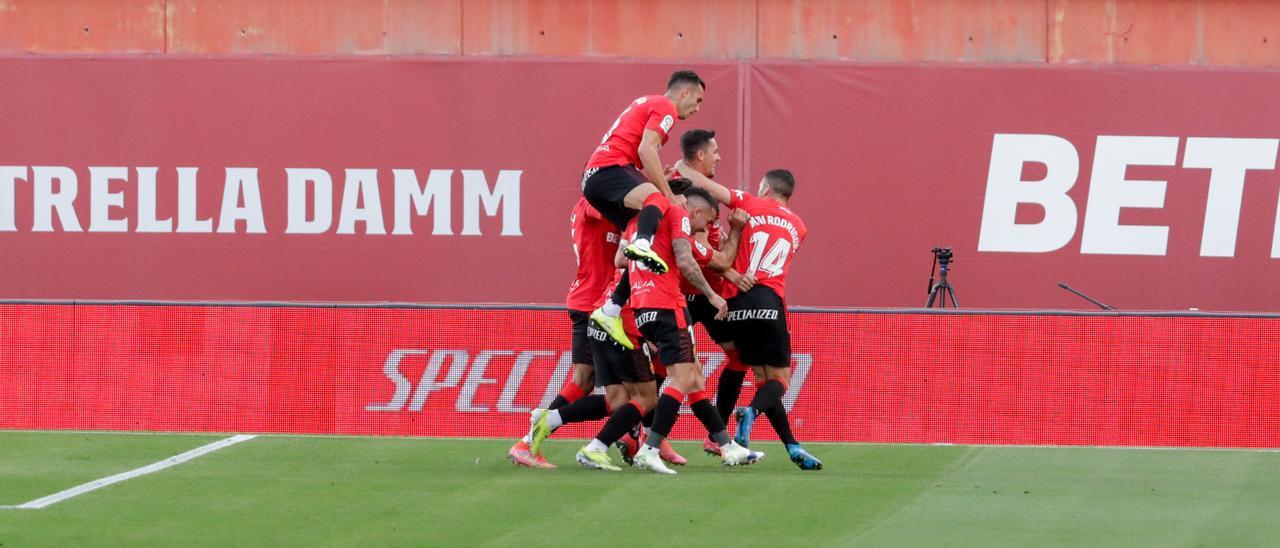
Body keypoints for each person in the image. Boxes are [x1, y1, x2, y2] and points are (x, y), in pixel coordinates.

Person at [676, 165, 823, 470]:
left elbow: (704, 185)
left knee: (760, 378)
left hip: (736, 301)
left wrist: (681, 169)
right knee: (779, 380)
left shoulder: (747, 203)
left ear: (765, 189)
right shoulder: (800, 226)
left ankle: (791, 444)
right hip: (769, 299)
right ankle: (750, 414)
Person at [620, 183, 760, 474]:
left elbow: (620, 259)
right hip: (667, 305)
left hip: (642, 305)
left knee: (693, 377)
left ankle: (726, 445)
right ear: (694, 210)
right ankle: (650, 448)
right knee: (682, 379)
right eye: (707, 221)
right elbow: (687, 261)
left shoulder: (640, 222)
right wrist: (711, 294)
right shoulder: (678, 217)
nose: (705, 228)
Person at [582, 71, 706, 348]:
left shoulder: (645, 103)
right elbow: (647, 149)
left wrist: (654, 180)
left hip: (598, 178)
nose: (696, 109)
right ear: (684, 93)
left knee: (651, 222)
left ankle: (611, 309)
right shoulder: (665, 107)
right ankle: (641, 243)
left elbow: (641, 154)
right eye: (697, 101)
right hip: (608, 169)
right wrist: (668, 195)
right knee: (661, 201)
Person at [508, 198, 614, 468]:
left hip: (590, 301)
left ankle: (529, 442)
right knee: (626, 392)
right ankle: (530, 440)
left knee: (583, 382)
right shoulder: (593, 201)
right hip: (596, 304)